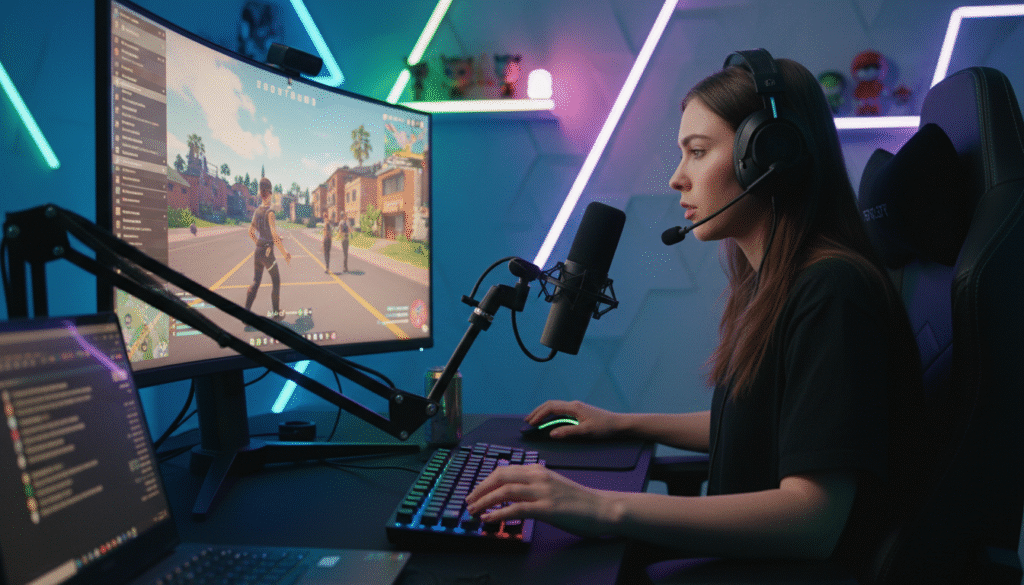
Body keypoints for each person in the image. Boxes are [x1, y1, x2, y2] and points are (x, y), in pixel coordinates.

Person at [466, 51, 924, 580]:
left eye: (698, 152)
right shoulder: (779, 283)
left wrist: (602, 507)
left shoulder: (832, 291)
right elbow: (766, 428)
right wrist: (622, 423)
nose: (678, 179)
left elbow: (814, 518)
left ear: (769, 156)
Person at [244, 177, 291, 319]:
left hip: (257, 252)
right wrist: (285, 253)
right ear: (269, 193)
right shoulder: (270, 213)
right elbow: (274, 236)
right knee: (276, 281)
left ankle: (245, 315)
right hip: (267, 254)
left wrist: (261, 242)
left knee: (256, 281)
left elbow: (250, 232)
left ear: (260, 193)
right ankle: (276, 313)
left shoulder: (257, 212)